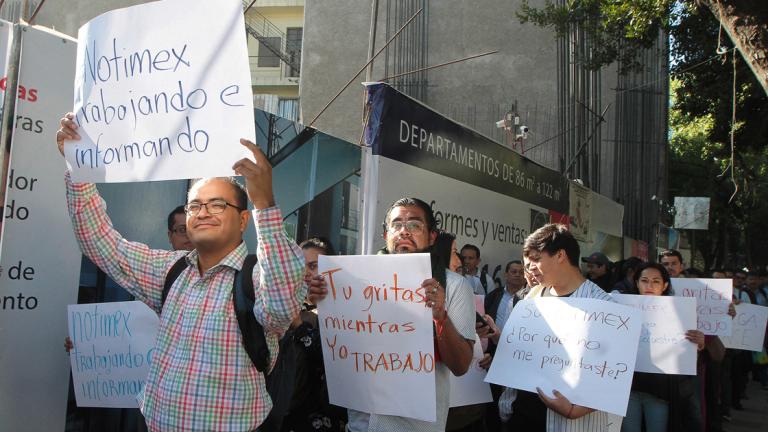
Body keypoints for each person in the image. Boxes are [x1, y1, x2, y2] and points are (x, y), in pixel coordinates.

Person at [57, 113, 306, 431]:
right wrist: (79, 167)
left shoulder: (259, 278)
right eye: (194, 205)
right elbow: (102, 245)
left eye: (218, 205)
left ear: (243, 220)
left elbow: (282, 308)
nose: (203, 212)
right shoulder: (170, 271)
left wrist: (265, 204)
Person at [326, 197, 476, 432]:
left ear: (432, 236)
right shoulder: (353, 282)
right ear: (386, 234)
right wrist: (324, 300)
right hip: (360, 424)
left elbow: (460, 365)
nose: (404, 231)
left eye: (415, 225)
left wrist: (440, 317)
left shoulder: (455, 286)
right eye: (397, 225)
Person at [498, 223, 613, 431]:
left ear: (560, 255)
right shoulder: (529, 300)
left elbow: (614, 375)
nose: (530, 267)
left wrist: (575, 409)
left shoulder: (605, 307)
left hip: (570, 423)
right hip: (521, 415)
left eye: (536, 259)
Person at [621, 262, 705, 432]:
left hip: (660, 390)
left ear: (665, 285)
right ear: (636, 283)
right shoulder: (621, 309)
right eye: (644, 280)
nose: (649, 286)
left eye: (656, 281)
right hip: (627, 388)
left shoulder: (680, 313)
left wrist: (699, 343)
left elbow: (687, 357)